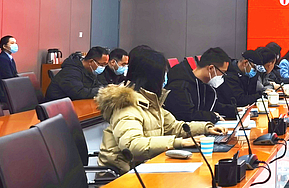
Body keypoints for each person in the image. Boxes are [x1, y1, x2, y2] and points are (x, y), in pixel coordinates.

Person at [95, 45, 224, 173]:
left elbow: (174, 127)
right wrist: (179, 143)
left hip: (144, 168)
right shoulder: (126, 106)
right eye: (163, 74)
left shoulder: (149, 102)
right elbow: (133, 145)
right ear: (152, 78)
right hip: (122, 175)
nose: (164, 79)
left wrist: (206, 128)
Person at [164, 47, 236, 123]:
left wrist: (233, 110)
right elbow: (187, 115)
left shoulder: (202, 84)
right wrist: (212, 116)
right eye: (222, 72)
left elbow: (210, 104)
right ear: (211, 68)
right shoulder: (180, 85)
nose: (222, 76)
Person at [0, 35, 19, 104]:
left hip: (8, 87)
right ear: (4, 46)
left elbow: (14, 74)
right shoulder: (2, 59)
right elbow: (8, 77)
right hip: (2, 91)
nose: (15, 45)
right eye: (12, 43)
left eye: (15, 43)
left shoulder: (9, 58)